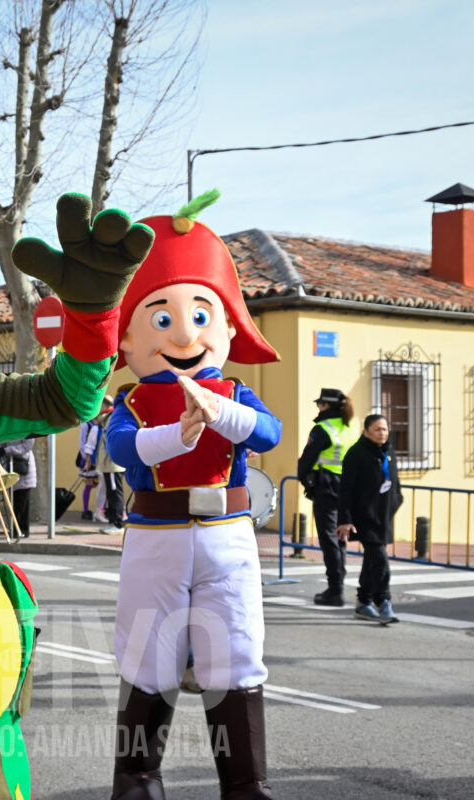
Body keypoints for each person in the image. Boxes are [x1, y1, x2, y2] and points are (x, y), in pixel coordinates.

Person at [106, 193, 281, 800]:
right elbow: (125, 451)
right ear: (126, 342)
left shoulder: (233, 390)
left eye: (201, 315)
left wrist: (221, 414)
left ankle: (245, 784)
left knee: (234, 654)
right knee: (148, 656)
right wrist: (174, 435)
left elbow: (268, 432)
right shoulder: (131, 399)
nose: (184, 332)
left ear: (228, 327)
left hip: (227, 536)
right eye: (161, 318)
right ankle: (135, 779)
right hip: (156, 536)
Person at [337, 414, 403, 624]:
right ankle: (384, 602)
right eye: (377, 429)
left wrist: (396, 502)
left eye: (384, 429)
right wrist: (345, 519)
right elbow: (346, 489)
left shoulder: (388, 451)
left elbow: (395, 483)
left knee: (372, 560)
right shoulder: (356, 454)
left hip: (384, 516)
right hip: (364, 517)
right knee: (380, 559)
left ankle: (363, 602)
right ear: (366, 431)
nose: (382, 433)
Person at [297, 388, 358, 606]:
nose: (317, 408)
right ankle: (338, 584)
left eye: (319, 404)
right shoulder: (349, 427)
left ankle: (335, 590)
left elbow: (305, 462)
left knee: (329, 538)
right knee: (340, 536)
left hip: (328, 487)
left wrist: (307, 481)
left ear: (326, 406)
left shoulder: (322, 429)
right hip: (348, 488)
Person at [95, 400, 127, 535]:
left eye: (101, 404)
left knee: (115, 494)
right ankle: (112, 522)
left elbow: (110, 440)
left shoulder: (111, 418)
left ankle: (118, 524)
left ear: (106, 405)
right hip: (109, 464)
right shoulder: (107, 418)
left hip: (113, 464)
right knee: (111, 494)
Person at [0, 438, 36, 538]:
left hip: (24, 468)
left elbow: (27, 446)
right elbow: (0, 441)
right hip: (10, 467)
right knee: (14, 505)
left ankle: (24, 530)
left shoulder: (27, 428)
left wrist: (7, 450)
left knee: (23, 505)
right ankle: (14, 530)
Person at [78, 402, 108, 519]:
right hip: (89, 459)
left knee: (103, 486)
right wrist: (86, 459)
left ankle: (102, 510)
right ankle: (85, 510)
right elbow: (82, 443)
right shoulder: (87, 424)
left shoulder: (102, 423)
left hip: (101, 459)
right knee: (89, 484)